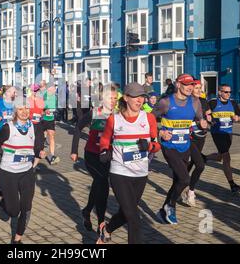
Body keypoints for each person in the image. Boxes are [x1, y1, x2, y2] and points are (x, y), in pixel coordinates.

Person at [96, 83, 161, 244]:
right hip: (119, 172)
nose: (140, 100)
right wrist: (104, 150)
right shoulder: (114, 119)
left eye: (142, 97)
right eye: (135, 97)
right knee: (134, 218)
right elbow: (105, 139)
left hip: (140, 173)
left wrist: (150, 146)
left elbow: (156, 144)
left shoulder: (149, 118)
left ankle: (107, 229)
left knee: (126, 214)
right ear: (125, 98)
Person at [152, 74, 207, 225]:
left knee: (178, 181)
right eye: (186, 84)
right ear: (178, 85)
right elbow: (148, 119)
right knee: (184, 179)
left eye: (192, 84)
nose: (190, 87)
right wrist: (160, 132)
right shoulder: (165, 102)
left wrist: (203, 122)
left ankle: (164, 210)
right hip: (169, 146)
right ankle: (170, 206)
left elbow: (199, 118)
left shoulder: (195, 102)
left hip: (185, 146)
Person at [0, 104, 45, 244]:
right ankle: (0, 198)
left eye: (26, 108)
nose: (24, 112)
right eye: (20, 109)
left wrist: (40, 152)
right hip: (8, 172)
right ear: (15, 111)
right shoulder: (8, 128)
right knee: (14, 211)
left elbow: (37, 147)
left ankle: (17, 239)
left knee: (26, 208)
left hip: (27, 172)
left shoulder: (35, 127)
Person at [70, 84, 118, 233]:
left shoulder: (118, 115)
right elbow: (78, 128)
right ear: (102, 98)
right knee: (102, 183)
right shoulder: (94, 112)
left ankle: (87, 210)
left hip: (108, 156)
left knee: (99, 184)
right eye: (110, 98)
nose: (113, 101)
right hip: (91, 155)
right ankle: (101, 222)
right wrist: (74, 151)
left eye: (115, 98)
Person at [204, 84, 240, 194]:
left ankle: (204, 158)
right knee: (226, 157)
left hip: (228, 133)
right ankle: (232, 185)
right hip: (217, 133)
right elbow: (205, 115)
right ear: (220, 92)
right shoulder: (213, 102)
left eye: (229, 92)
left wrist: (237, 118)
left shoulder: (233, 103)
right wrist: (209, 119)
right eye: (225, 92)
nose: (228, 94)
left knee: (220, 156)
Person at [183, 79, 211, 206]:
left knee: (193, 162)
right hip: (189, 137)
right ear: (190, 89)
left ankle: (181, 182)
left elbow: (209, 117)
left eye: (201, 88)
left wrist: (209, 120)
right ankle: (191, 191)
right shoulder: (185, 102)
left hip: (201, 136)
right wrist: (198, 122)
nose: (199, 90)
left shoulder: (204, 101)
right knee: (200, 165)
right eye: (197, 88)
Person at [43, 83, 60, 165]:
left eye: (55, 89)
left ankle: (52, 156)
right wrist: (44, 110)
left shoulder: (55, 97)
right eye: (53, 89)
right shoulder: (44, 95)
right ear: (48, 89)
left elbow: (56, 108)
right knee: (41, 137)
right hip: (42, 119)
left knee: (52, 136)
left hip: (51, 119)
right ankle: (38, 154)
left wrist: (55, 115)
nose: (54, 90)